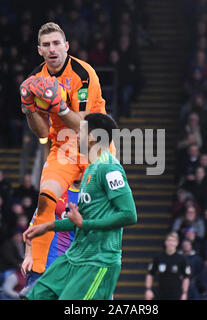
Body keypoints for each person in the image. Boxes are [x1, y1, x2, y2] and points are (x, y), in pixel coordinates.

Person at [19, 22, 111, 276]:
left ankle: (101, 270)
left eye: (56, 43)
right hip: (63, 147)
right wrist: (29, 110)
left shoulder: (84, 73)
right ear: (39, 50)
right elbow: (40, 133)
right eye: (46, 45)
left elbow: (84, 125)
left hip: (96, 143)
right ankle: (36, 274)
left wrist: (58, 106)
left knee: (102, 209)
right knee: (46, 198)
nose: (52, 49)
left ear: (66, 46)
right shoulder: (36, 79)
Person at [22, 113, 137, 300]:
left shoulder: (110, 169)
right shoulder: (90, 170)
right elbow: (78, 220)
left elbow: (129, 215)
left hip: (98, 260)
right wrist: (46, 226)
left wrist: (84, 224)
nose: (75, 136)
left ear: (92, 138)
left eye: (80, 132)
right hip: (75, 257)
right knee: (33, 296)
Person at [19, 181, 80, 297]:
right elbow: (34, 225)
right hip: (45, 263)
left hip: (72, 266)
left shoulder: (92, 195)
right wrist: (28, 256)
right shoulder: (56, 192)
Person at [145, 232, 191, 300]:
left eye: (173, 241)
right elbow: (150, 274)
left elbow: (186, 277)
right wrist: (148, 289)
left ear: (177, 243)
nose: (170, 243)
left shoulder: (182, 259)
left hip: (176, 294)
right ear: (165, 242)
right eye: (169, 240)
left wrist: (184, 293)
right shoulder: (158, 257)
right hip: (160, 293)